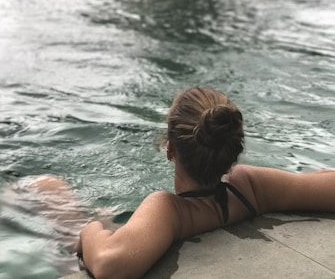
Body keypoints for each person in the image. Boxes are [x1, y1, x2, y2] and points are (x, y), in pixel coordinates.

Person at [34, 86, 335, 279]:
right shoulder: (249, 185)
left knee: (47, 186)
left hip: (104, 243)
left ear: (169, 149)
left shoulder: (168, 208)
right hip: (230, 202)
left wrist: (89, 231)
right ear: (233, 153)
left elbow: (109, 265)